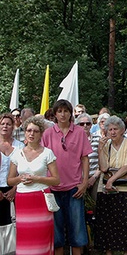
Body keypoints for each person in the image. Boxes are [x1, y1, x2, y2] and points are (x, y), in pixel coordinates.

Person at [41, 99, 92, 255]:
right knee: (56, 233)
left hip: (74, 188)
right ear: (55, 114)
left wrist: (84, 183)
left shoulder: (79, 132)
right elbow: (41, 160)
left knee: (77, 230)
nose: (62, 114)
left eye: (66, 111)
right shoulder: (48, 134)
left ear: (71, 113)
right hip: (53, 188)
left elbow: (85, 158)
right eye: (59, 111)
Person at [8, 116, 60, 254]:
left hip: (41, 199)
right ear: (24, 132)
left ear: (41, 134)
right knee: (25, 237)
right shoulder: (17, 154)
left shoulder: (47, 153)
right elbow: (10, 181)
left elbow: (56, 180)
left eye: (35, 131)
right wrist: (20, 178)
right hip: (23, 199)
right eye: (29, 130)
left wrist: (37, 178)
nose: (32, 134)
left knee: (41, 237)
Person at [95, 115, 127, 254]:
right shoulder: (106, 145)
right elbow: (103, 168)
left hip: (125, 187)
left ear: (122, 130)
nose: (112, 132)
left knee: (126, 222)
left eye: (115, 129)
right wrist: (100, 149)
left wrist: (111, 180)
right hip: (106, 187)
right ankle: (109, 251)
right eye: (110, 129)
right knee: (107, 222)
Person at [0, 113, 24, 226]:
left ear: (13, 127)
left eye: (8, 124)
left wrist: (15, 189)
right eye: (2, 123)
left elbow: (24, 169)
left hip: (15, 188)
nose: (5, 126)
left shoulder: (20, 146)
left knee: (15, 225)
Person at [76, 113, 101, 201]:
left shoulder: (98, 139)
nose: (85, 126)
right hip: (79, 179)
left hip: (95, 176)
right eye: (82, 124)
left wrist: (94, 177)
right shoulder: (74, 141)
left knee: (95, 204)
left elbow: (103, 161)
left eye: (88, 123)